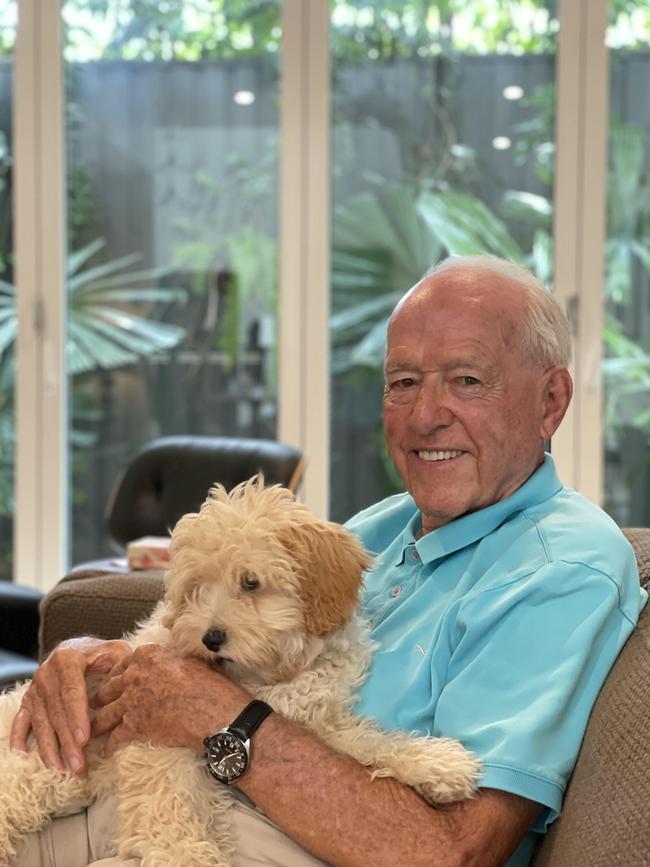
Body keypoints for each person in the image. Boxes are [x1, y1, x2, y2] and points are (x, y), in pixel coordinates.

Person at [9, 255, 647, 867]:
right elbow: (216, 637)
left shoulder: (563, 566)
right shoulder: (384, 524)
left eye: (468, 380)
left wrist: (216, 717)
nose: (425, 416)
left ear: (551, 402)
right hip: (124, 795)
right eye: (403, 383)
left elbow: (448, 851)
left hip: (233, 837)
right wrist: (93, 659)